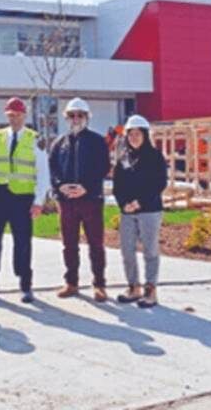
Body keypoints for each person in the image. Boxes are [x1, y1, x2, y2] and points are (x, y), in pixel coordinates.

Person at [0, 97, 50, 304]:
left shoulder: (35, 139)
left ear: (24, 115)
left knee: (23, 243)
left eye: (17, 115)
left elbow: (43, 172)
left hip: (22, 199)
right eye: (10, 115)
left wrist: (39, 201)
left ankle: (26, 286)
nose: (14, 119)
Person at [49, 97, 111, 302]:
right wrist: (61, 186)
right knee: (69, 244)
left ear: (87, 117)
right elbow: (53, 168)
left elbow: (102, 168)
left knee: (96, 244)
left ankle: (100, 284)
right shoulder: (59, 143)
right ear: (67, 118)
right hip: (67, 202)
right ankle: (71, 282)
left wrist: (86, 187)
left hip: (91, 200)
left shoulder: (97, 141)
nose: (76, 119)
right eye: (72, 115)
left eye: (80, 115)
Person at [113, 115, 167, 308]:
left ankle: (150, 290)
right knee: (127, 251)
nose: (134, 137)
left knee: (150, 250)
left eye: (138, 134)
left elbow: (159, 183)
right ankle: (133, 287)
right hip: (127, 212)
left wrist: (140, 202)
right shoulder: (123, 157)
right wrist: (124, 204)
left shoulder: (155, 156)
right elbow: (117, 185)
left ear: (145, 135)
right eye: (131, 134)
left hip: (149, 211)